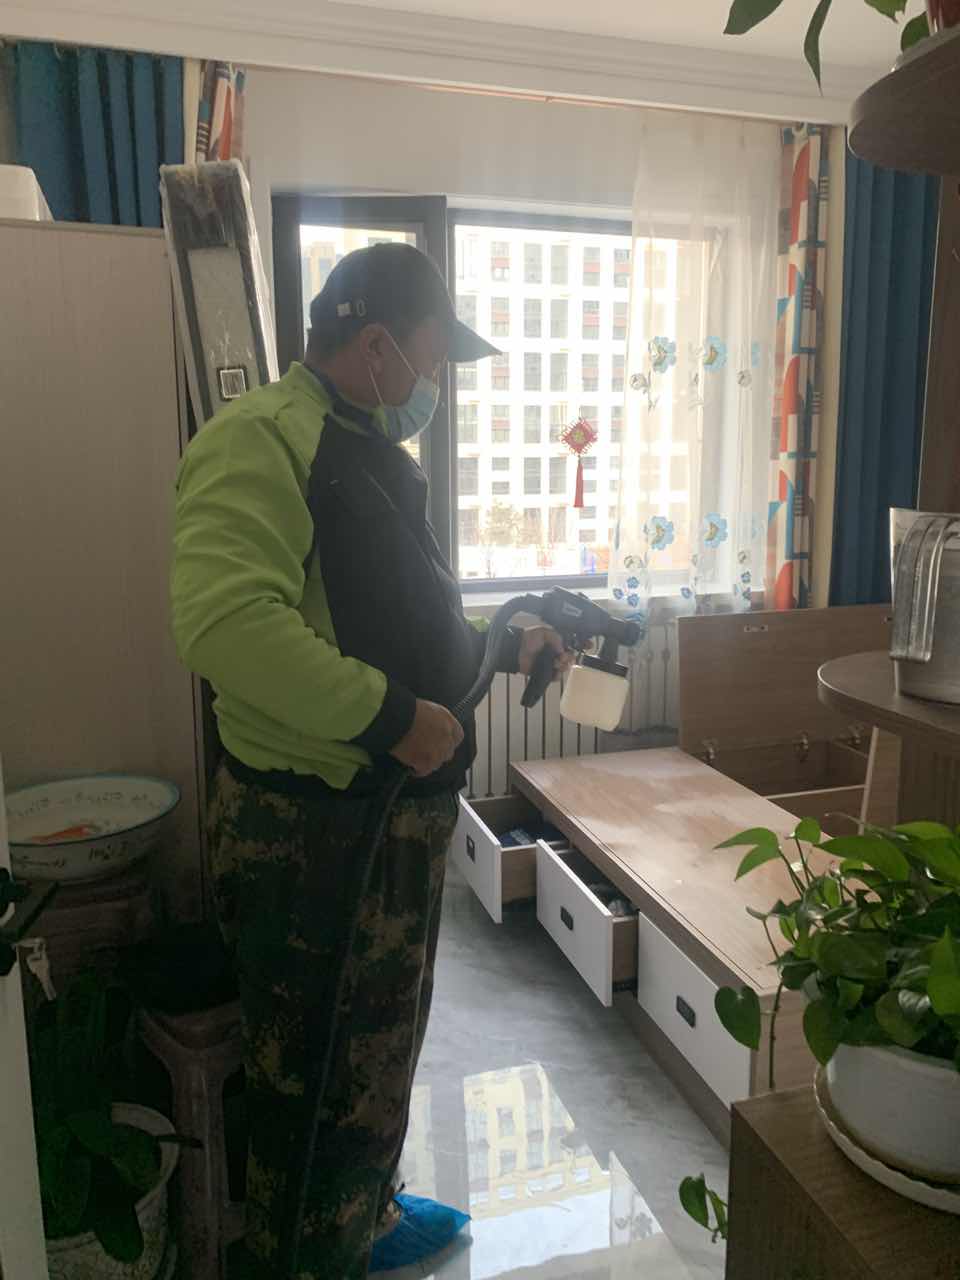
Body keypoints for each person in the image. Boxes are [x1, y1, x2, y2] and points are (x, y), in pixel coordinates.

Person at [170, 241, 571, 1278]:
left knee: (379, 1044)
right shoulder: (260, 440)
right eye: (432, 362)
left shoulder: (365, 448)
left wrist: (505, 639)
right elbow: (226, 624)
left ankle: (367, 1211)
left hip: (386, 816)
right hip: (312, 830)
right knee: (312, 1071)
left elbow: (396, 620)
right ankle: (308, 1253)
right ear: (380, 345)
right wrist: (392, 716)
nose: (434, 386)